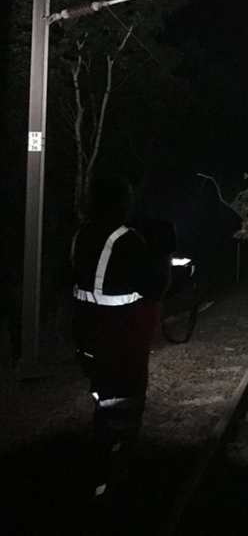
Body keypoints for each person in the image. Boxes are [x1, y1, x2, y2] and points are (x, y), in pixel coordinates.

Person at [70, 175, 171, 513]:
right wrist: (163, 256)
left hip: (87, 336)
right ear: (120, 203)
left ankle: (97, 472)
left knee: (103, 401)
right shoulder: (126, 240)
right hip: (120, 338)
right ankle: (110, 487)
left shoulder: (81, 234)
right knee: (124, 410)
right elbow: (154, 285)